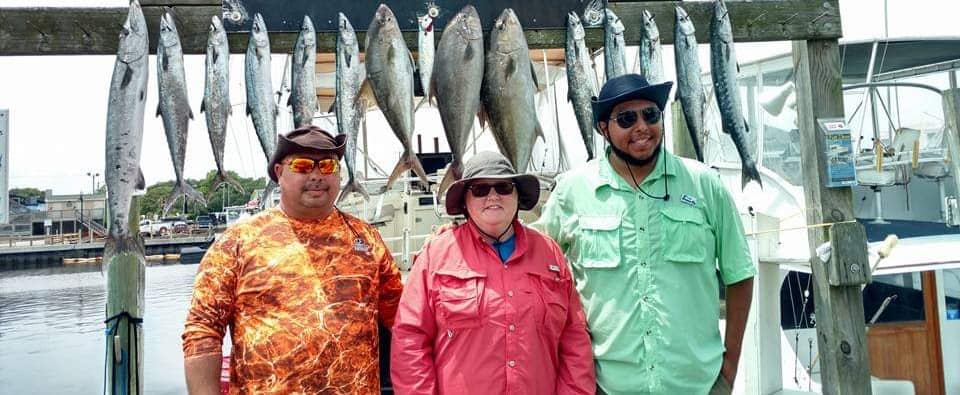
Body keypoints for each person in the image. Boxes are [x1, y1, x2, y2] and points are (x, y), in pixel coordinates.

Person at [535, 74, 756, 394]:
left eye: (650, 115)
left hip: (698, 383)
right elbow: (531, 262)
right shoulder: (572, 190)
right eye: (626, 118)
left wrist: (731, 365)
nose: (641, 127)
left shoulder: (705, 183)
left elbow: (740, 273)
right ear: (603, 129)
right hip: (606, 385)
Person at [181, 126, 403, 394]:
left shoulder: (367, 237)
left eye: (327, 165)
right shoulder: (238, 240)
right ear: (279, 173)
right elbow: (203, 329)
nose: (317, 175)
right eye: (303, 165)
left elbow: (403, 321)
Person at [391, 151, 595, 394]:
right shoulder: (435, 254)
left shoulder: (550, 252)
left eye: (504, 187)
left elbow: (574, 339)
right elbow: (410, 340)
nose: (493, 196)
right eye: (480, 189)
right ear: (465, 201)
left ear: (518, 195)